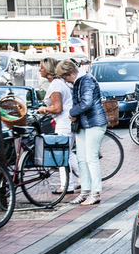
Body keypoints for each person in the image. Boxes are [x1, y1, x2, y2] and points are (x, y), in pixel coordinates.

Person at [56, 59, 107, 206]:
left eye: (66, 78)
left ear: (72, 72)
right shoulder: (80, 81)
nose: (66, 81)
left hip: (94, 122)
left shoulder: (86, 80)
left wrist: (72, 112)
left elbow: (87, 102)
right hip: (84, 123)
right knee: (82, 159)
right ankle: (85, 191)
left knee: (90, 158)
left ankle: (95, 192)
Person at [37, 57, 79, 195]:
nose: (39, 70)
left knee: (62, 154)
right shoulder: (60, 83)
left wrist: (43, 109)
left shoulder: (55, 85)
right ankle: (83, 181)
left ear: (48, 70)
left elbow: (57, 108)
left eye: (42, 67)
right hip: (68, 122)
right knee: (69, 153)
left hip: (64, 123)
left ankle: (67, 185)